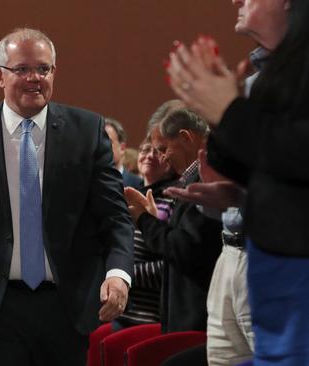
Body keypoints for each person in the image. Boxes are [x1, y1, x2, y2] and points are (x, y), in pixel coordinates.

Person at [0, 28, 134, 366]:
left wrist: (118, 275)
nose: (34, 78)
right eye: (22, 69)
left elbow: (115, 218)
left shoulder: (87, 131)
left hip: (68, 309)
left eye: (44, 69)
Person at [166, 0, 309, 363]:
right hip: (256, 259)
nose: (237, 0)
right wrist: (242, 194)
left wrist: (229, 112)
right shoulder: (268, 74)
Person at [124, 108, 222, 333]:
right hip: (184, 313)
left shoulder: (205, 179)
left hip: (197, 316)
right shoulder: (190, 180)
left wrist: (145, 220)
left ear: (187, 138)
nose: (163, 157)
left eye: (164, 148)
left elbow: (186, 248)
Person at [115, 134, 177, 328]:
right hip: (120, 309)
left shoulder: (173, 200)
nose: (149, 156)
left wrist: (124, 275)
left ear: (168, 160)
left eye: (157, 151)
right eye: (144, 150)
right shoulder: (130, 195)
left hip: (148, 316)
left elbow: (169, 264)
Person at [105, 118, 143, 188]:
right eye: (99, 142)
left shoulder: (139, 185)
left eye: (108, 141)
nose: (102, 146)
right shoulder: (87, 184)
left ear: (122, 148)